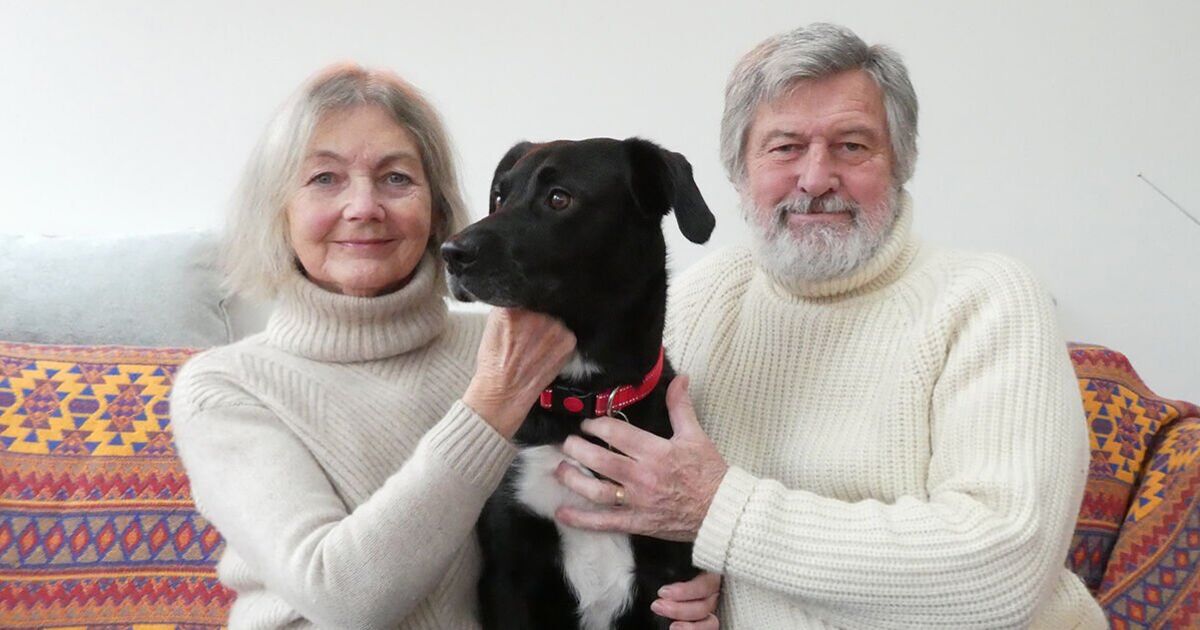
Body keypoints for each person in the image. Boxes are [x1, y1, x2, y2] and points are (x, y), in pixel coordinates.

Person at [552, 23, 1108, 628]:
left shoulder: (988, 299)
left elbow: (1002, 571)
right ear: (739, 172)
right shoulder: (693, 302)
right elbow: (649, 509)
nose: (815, 180)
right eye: (785, 147)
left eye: (852, 146)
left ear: (901, 164)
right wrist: (689, 578)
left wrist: (719, 516)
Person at [171, 63, 719, 629]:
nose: (363, 207)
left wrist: (702, 582)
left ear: (436, 207)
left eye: (396, 178)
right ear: (278, 208)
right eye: (324, 178)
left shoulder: (516, 355)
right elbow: (340, 597)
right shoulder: (226, 389)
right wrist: (491, 403)